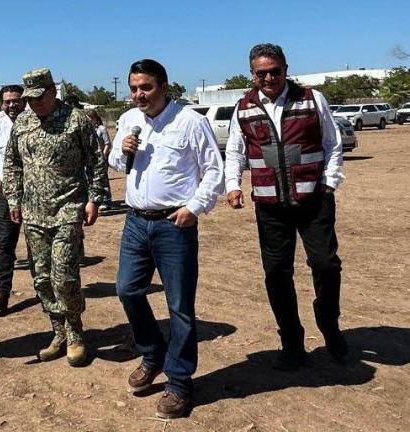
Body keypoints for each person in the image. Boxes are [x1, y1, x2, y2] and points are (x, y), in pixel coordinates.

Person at [108, 59, 224, 419]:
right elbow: (113, 162)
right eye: (134, 88)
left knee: (179, 306)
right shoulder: (129, 120)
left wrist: (194, 207)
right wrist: (121, 151)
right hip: (136, 221)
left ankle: (179, 382)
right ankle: (152, 353)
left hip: (175, 224)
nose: (139, 95)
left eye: (146, 88)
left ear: (163, 87)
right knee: (127, 289)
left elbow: (213, 171)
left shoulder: (190, 121)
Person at [224, 43, 347, 371]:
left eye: (274, 71)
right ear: (253, 74)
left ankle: (328, 322)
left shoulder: (311, 99)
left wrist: (329, 182)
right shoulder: (244, 107)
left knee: (326, 264)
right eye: (261, 73)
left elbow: (331, 144)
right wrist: (233, 185)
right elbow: (236, 151)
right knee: (277, 273)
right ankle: (291, 340)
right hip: (269, 206)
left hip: (313, 200)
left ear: (286, 68)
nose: (268, 77)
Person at [3, 68, 106, 367]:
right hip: (33, 212)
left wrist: (94, 199)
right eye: (29, 98)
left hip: (67, 209)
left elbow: (95, 161)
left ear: (52, 92)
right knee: (42, 277)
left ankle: (75, 332)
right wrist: (13, 198)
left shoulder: (76, 120)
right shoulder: (22, 122)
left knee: (64, 275)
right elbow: (12, 162)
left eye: (38, 97)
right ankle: (57, 331)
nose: (33, 103)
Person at [0, 84, 27, 312]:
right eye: (7, 101)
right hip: (7, 195)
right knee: (5, 245)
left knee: (36, 246)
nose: (12, 105)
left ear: (24, 101)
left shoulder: (36, 124)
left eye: (16, 100)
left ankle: (47, 293)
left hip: (33, 195)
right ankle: (1, 293)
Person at [86, 109, 113, 210]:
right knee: (92, 180)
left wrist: (103, 156)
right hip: (91, 159)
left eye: (90, 119)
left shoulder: (102, 129)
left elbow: (107, 144)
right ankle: (96, 200)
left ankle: (107, 200)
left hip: (101, 158)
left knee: (103, 180)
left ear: (95, 119)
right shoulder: (88, 129)